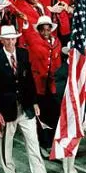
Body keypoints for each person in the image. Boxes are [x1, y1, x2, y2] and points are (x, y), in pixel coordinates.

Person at [0, 25, 55, 173]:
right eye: (7, 39)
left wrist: (35, 101)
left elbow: (29, 80)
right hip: (6, 110)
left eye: (13, 38)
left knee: (33, 144)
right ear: (1, 40)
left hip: (25, 107)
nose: (10, 42)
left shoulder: (23, 54)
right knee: (6, 144)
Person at [20, 16, 61, 153]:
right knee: (41, 115)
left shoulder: (56, 42)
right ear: (38, 30)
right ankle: (44, 143)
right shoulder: (34, 40)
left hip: (52, 85)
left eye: (47, 30)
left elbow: (58, 62)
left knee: (54, 113)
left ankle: (54, 140)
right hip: (38, 85)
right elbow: (26, 33)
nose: (45, 32)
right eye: (42, 30)